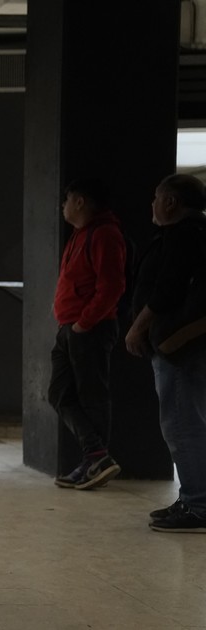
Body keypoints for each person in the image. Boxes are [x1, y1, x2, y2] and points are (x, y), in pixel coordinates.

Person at [125, 173, 206, 533]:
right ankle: (192, 497)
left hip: (180, 347)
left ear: (171, 202)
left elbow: (166, 291)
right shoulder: (192, 233)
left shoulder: (184, 236)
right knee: (189, 421)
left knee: (181, 424)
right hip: (186, 345)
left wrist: (137, 327)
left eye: (157, 197)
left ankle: (198, 506)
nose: (153, 204)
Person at [48, 178, 127, 490]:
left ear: (80, 201)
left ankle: (94, 460)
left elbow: (112, 286)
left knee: (92, 396)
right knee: (59, 393)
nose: (63, 205)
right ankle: (96, 455)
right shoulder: (81, 234)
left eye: (67, 199)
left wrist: (84, 322)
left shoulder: (105, 234)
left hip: (89, 329)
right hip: (69, 328)